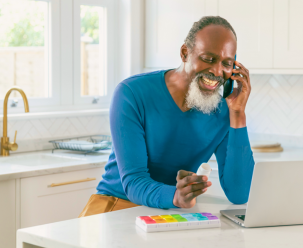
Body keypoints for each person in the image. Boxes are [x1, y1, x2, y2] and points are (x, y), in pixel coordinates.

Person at [79, 16, 254, 217]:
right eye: (208, 59)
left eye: (227, 63)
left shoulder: (224, 110)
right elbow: (134, 181)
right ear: (185, 53)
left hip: (169, 211)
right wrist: (175, 196)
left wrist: (238, 114)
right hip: (116, 205)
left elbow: (240, 194)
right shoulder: (132, 93)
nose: (216, 71)